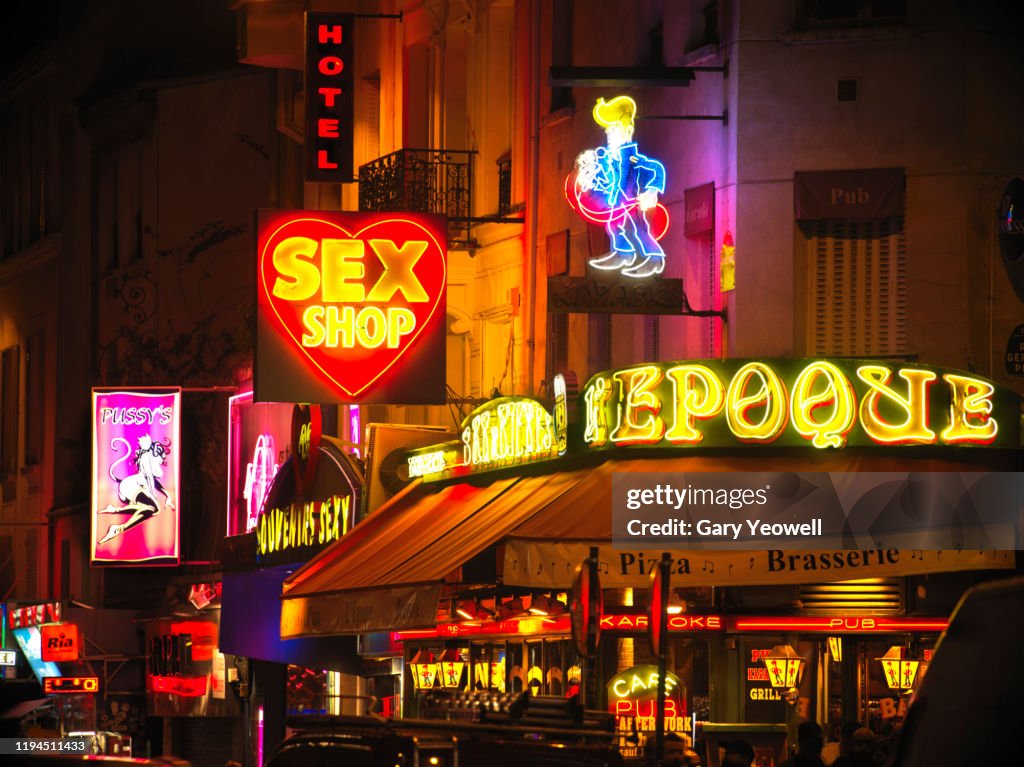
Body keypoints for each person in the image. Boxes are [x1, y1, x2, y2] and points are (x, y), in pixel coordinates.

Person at [576, 95, 668, 278]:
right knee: (614, 226)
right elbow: (608, 178)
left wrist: (652, 191)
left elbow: (656, 168)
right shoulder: (611, 160)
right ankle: (622, 253)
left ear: (626, 131)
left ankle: (655, 257)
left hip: (632, 201)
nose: (608, 135)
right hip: (618, 201)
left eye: (613, 131)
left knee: (639, 229)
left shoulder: (633, 158)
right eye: (607, 131)